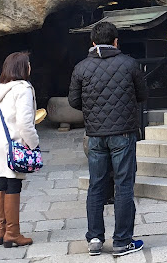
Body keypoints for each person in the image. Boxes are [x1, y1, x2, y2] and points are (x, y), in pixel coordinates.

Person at [69, 21, 148, 257]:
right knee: (123, 185)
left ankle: (95, 238)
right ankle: (122, 241)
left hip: (94, 135)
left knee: (96, 185)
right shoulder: (129, 64)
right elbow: (142, 95)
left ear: (92, 42)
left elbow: (74, 101)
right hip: (123, 133)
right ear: (116, 41)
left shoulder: (81, 68)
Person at [0, 52, 39, 248]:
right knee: (14, 184)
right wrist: (33, 143)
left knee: (1, 183)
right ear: (22, 68)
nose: (30, 67)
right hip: (15, 143)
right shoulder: (23, 89)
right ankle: (13, 233)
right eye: (28, 64)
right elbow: (25, 122)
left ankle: (2, 230)